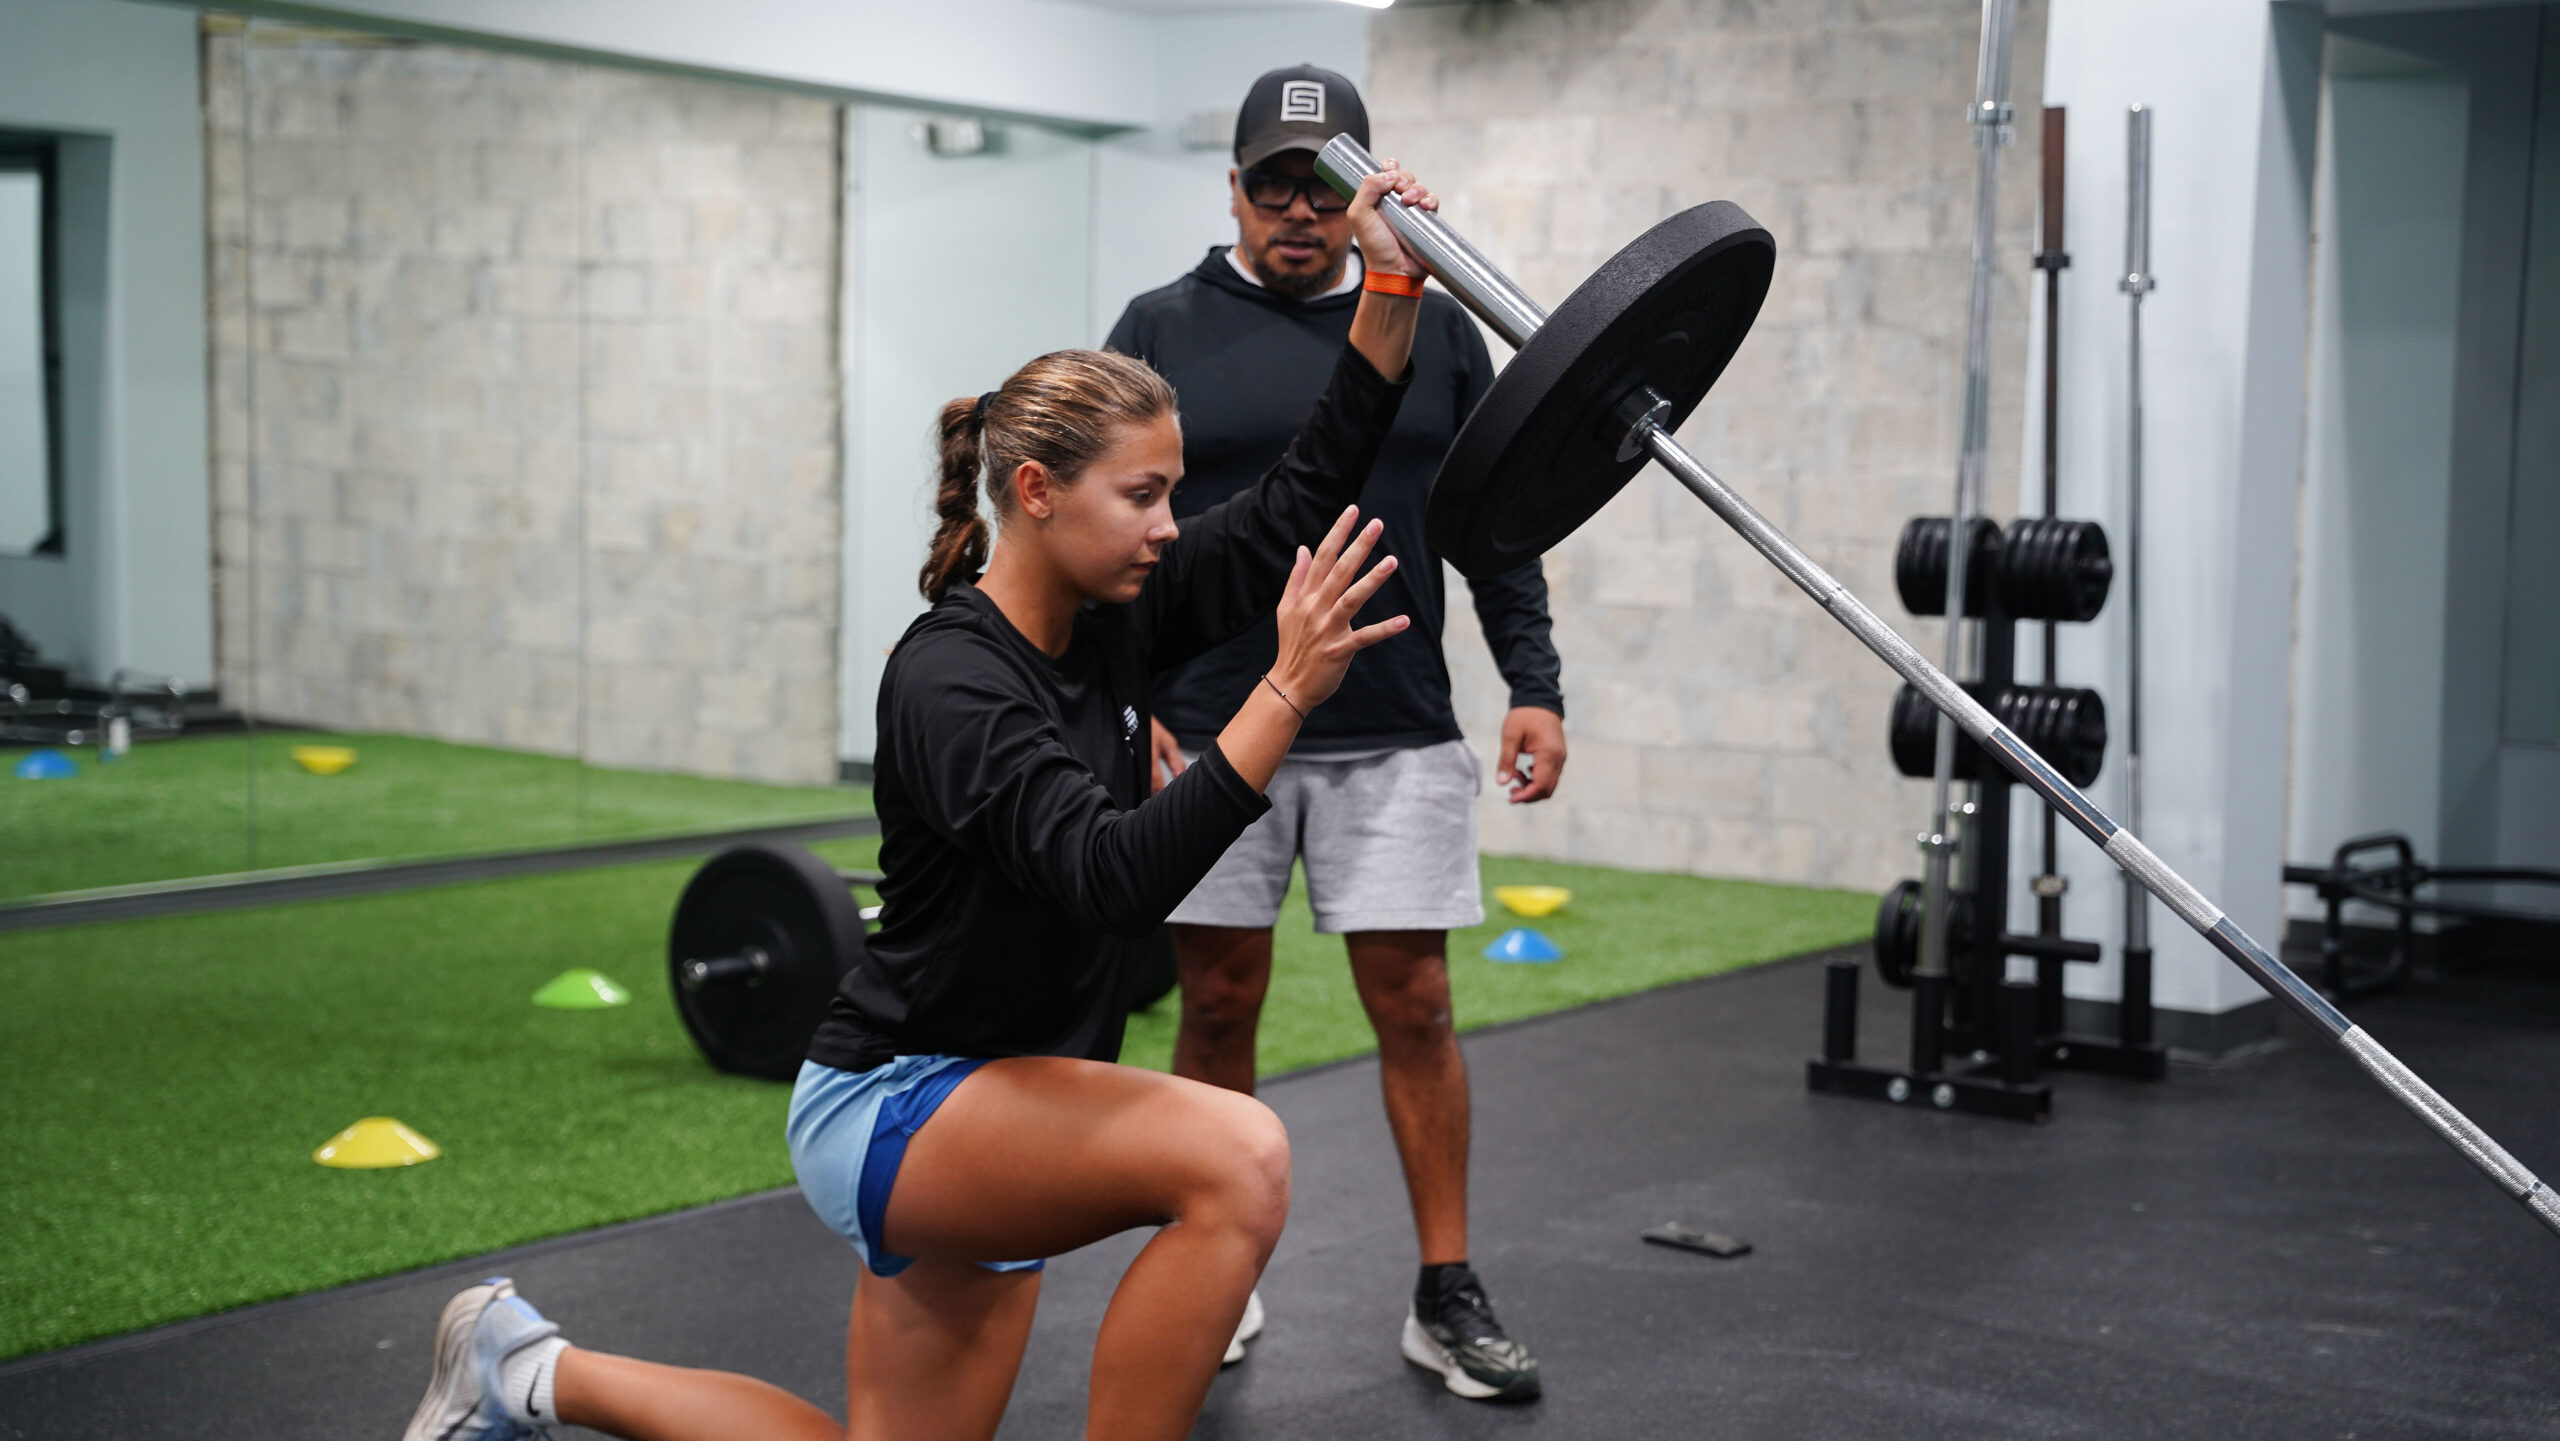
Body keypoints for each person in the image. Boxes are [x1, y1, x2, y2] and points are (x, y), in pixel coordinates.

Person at [400, 162, 1442, 1441]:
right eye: (1145, 494)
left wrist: (1385, 283)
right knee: (1240, 1155)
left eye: (1173, 492)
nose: (1172, 525)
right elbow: (1111, 879)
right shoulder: (951, 678)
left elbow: (1297, 494)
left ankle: (520, 1369)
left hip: (1011, 1094)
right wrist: (1280, 692)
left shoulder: (1121, 605)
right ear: (1039, 494)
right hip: (903, 1103)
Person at [1103, 64, 1564, 1403]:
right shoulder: (1160, 327)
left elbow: (1495, 519)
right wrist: (1131, 715)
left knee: (1415, 1003)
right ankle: (1216, 1267)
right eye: (1271, 181)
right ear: (1231, 186)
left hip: (1394, 721)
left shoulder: (1428, 323)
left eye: (1324, 182)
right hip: (1211, 723)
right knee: (1220, 1001)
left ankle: (1445, 1288)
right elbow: (1114, 540)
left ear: (1366, 189)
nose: (1295, 208)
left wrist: (1534, 679)